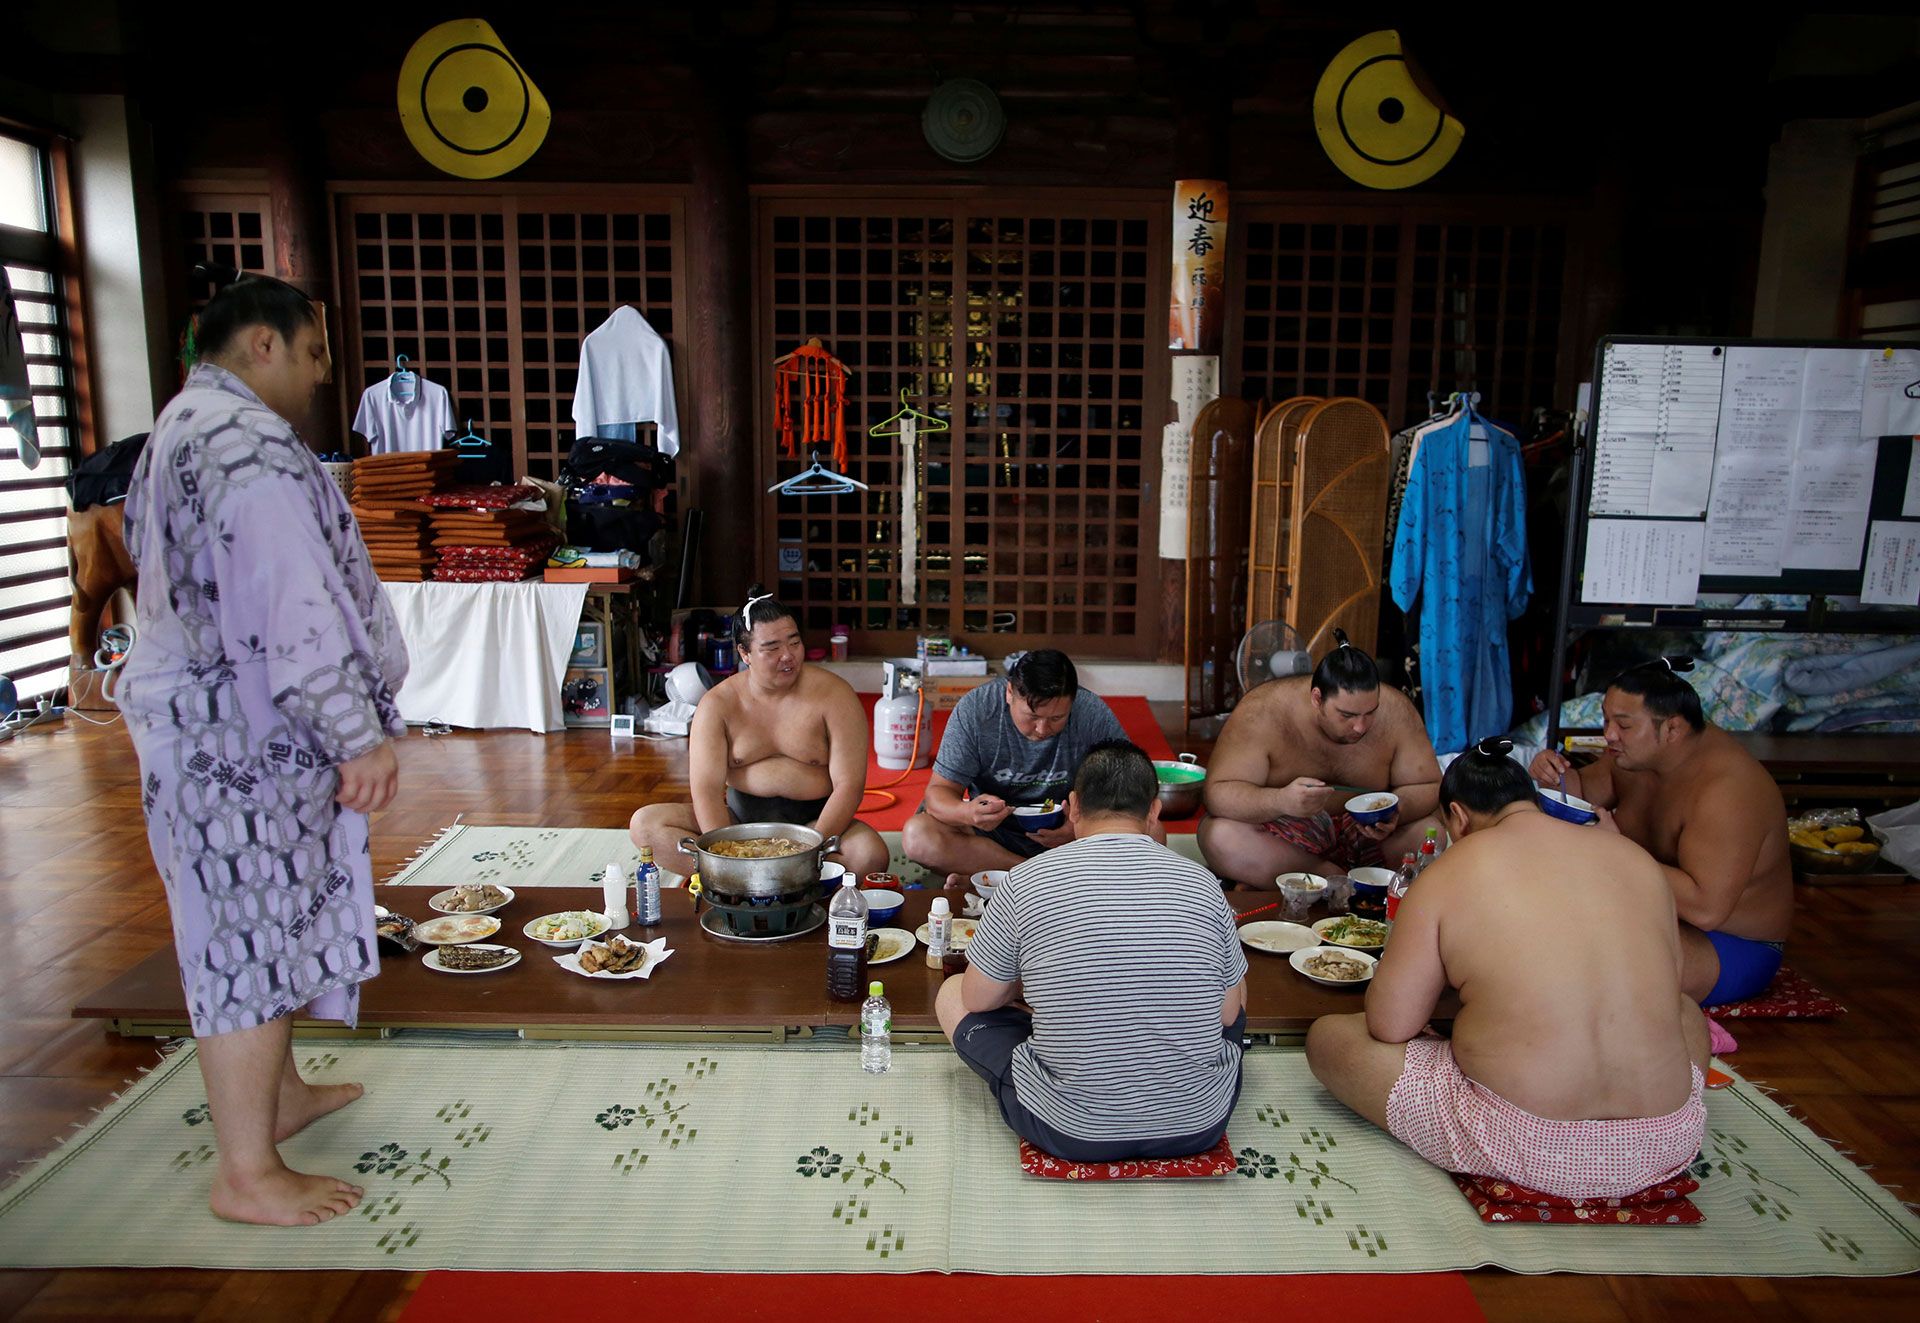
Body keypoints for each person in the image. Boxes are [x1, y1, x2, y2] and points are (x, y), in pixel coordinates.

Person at [117, 271, 409, 1226]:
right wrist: (353, 732)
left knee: (271, 912)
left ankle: (276, 1097)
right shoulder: (243, 443)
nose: (324, 377)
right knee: (242, 931)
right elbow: (291, 600)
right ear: (264, 344)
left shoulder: (180, 425)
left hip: (227, 727)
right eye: (317, 353)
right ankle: (246, 1170)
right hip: (235, 737)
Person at [1306, 739, 1709, 1201]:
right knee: (1685, 1011)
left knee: (1330, 1039)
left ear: (1457, 816)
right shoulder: (1634, 858)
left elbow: (1390, 1024)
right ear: (1532, 801)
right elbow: (1666, 986)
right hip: (1661, 1141)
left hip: (1525, 1143)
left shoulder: (1451, 868)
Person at [936, 741, 1249, 1161]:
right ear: (1154, 811)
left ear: (1073, 807)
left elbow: (977, 999)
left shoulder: (1024, 881)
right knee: (1235, 993)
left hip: (1068, 1129)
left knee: (953, 994)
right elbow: (1229, 1013)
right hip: (1199, 1124)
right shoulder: (1204, 884)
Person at [1527, 657, 1793, 1006]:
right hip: (1648, 912)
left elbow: (1705, 909)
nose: (1608, 735)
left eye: (1623, 725)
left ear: (1673, 729)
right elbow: (1581, 796)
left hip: (1729, 943)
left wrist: (1618, 851)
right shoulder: (1632, 756)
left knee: (1579, 962)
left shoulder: (1728, 791)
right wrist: (1552, 773)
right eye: (1606, 720)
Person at [629, 590, 888, 879]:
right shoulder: (718, 704)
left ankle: (792, 879)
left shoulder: (835, 695)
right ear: (745, 653)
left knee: (870, 855)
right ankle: (734, 880)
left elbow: (849, 785)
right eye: (772, 648)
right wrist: (725, 852)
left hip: (816, 821)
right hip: (739, 823)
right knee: (646, 825)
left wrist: (811, 846)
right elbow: (707, 790)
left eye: (794, 642)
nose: (788, 655)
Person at [1199, 631, 1441, 887]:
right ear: (1317, 698)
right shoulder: (1263, 710)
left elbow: (1429, 786)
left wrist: (1395, 812)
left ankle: (1356, 881)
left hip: (1371, 836)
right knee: (1219, 836)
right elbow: (1217, 794)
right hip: (1287, 838)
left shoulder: (1396, 710)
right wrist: (1280, 800)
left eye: (1370, 713)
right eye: (1346, 715)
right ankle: (1321, 874)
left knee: (1430, 832)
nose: (1360, 726)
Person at [903, 648, 1159, 882]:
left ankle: (998, 880)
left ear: (1073, 700)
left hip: (1069, 837)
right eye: (1032, 716)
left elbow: (1125, 786)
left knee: (1153, 831)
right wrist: (969, 813)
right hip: (992, 837)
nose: (1042, 729)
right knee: (918, 836)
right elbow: (938, 793)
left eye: (1057, 718)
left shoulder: (1090, 712)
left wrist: (1079, 826)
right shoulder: (977, 711)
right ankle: (1035, 877)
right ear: (1009, 693)